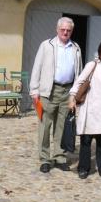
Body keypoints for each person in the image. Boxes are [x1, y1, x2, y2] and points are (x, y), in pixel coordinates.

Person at [29, 17, 82, 173]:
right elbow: (37, 67)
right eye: (63, 29)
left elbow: (78, 71)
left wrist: (76, 94)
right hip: (49, 91)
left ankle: (59, 156)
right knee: (45, 126)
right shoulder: (46, 45)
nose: (65, 32)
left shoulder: (76, 48)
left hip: (68, 91)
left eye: (68, 30)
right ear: (57, 29)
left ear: (71, 31)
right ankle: (45, 158)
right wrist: (34, 90)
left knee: (62, 127)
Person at [68, 40, 101, 179]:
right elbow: (79, 81)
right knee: (86, 139)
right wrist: (72, 98)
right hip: (91, 109)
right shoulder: (92, 65)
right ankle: (83, 168)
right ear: (100, 53)